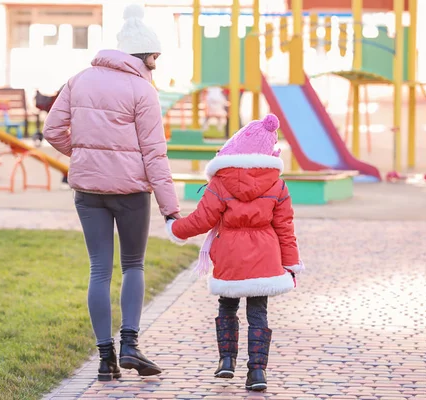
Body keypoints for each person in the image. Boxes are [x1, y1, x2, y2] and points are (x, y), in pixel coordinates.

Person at [43, 3, 181, 382]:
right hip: (131, 192)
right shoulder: (143, 90)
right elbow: (155, 154)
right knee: (133, 264)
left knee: (99, 269)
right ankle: (131, 345)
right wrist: (171, 210)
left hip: (88, 190)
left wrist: (85, 157)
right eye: (156, 56)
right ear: (145, 57)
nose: (157, 62)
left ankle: (105, 359)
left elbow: (53, 132)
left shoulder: (79, 79)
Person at [165, 114, 304, 391]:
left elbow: (202, 219)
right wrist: (291, 264)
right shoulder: (277, 184)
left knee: (227, 305)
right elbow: (285, 228)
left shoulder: (221, 182)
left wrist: (175, 228)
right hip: (265, 257)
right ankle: (257, 373)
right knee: (258, 313)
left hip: (229, 254)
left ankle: (227, 360)